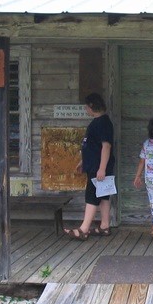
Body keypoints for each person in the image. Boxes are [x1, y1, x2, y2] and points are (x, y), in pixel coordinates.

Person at [64, 92, 115, 241]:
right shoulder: (97, 122)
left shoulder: (103, 123)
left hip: (98, 167)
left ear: (92, 106)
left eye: (87, 106)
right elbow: (92, 146)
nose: (86, 109)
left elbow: (106, 146)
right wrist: (83, 161)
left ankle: (83, 230)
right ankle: (105, 226)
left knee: (92, 196)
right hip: (93, 164)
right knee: (103, 195)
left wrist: (102, 168)